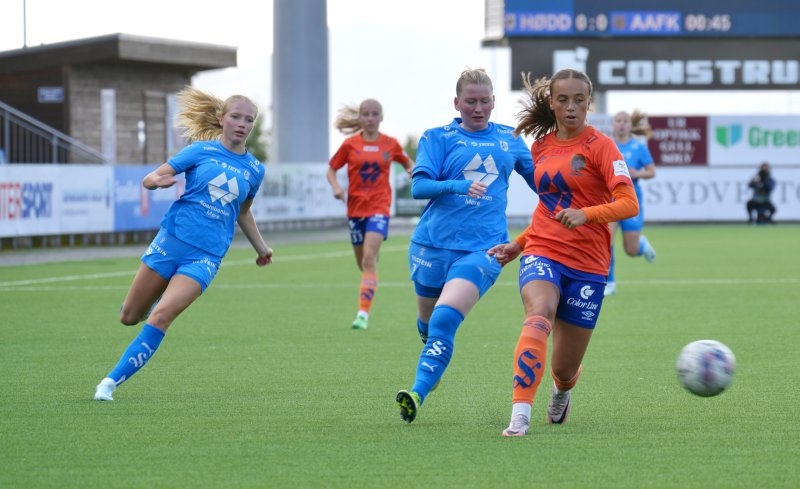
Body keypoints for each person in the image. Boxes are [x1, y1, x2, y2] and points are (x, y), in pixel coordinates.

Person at [93, 86, 273, 401]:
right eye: (236, 117)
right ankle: (151, 297)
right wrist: (153, 182)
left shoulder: (255, 170)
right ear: (222, 119)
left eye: (249, 119)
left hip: (205, 257)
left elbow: (243, 212)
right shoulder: (200, 151)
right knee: (130, 316)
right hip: (171, 242)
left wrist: (261, 247)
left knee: (162, 316)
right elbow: (153, 176)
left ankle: (109, 383)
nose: (243, 124)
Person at [488, 69, 639, 436]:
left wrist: (587, 214)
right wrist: (520, 244)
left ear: (590, 103)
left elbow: (628, 203)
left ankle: (561, 390)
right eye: (563, 100)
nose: (571, 107)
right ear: (552, 103)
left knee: (566, 368)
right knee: (538, 313)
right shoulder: (541, 146)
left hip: (588, 264)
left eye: (579, 100)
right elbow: (548, 209)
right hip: (543, 250)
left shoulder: (602, 147)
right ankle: (519, 415)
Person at [395, 68, 536, 423]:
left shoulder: (510, 138)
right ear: (456, 103)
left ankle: (416, 393)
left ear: (493, 101)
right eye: (470, 102)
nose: (478, 108)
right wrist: (458, 185)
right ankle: (432, 359)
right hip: (431, 246)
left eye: (484, 101)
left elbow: (544, 185)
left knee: (444, 319)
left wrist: (575, 199)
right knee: (427, 327)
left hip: (484, 250)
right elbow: (419, 188)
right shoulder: (437, 137)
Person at [326, 99, 414, 330]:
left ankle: (362, 315)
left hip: (379, 208)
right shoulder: (350, 144)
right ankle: (371, 265)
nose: (371, 118)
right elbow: (332, 169)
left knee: (367, 260)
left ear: (381, 117)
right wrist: (336, 187)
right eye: (366, 114)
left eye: (375, 114)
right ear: (360, 118)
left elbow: (408, 163)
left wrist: (418, 174)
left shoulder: (390, 144)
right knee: (363, 262)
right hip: (355, 210)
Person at [604, 110, 657, 296]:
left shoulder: (639, 147)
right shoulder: (607, 145)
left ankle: (641, 245)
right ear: (613, 124)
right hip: (610, 201)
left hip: (631, 202)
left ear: (630, 125)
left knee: (631, 250)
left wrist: (638, 173)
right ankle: (609, 283)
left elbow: (652, 171)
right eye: (618, 120)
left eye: (625, 121)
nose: (621, 124)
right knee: (605, 242)